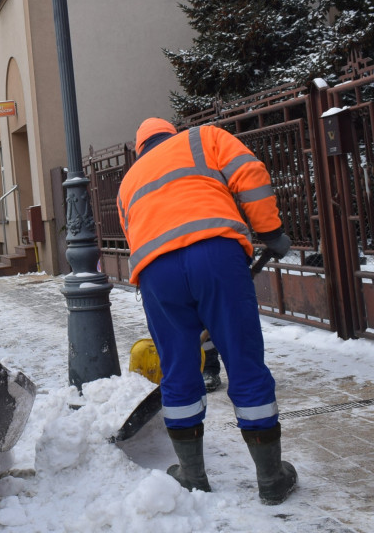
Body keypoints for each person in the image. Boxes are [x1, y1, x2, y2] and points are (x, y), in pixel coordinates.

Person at [117, 117, 297, 505]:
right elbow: (250, 172)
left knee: (178, 369)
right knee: (244, 360)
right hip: (215, 253)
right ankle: (270, 478)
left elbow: (134, 233)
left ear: (139, 148)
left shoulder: (128, 180)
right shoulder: (204, 138)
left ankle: (192, 476)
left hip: (154, 271)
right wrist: (268, 231)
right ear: (173, 132)